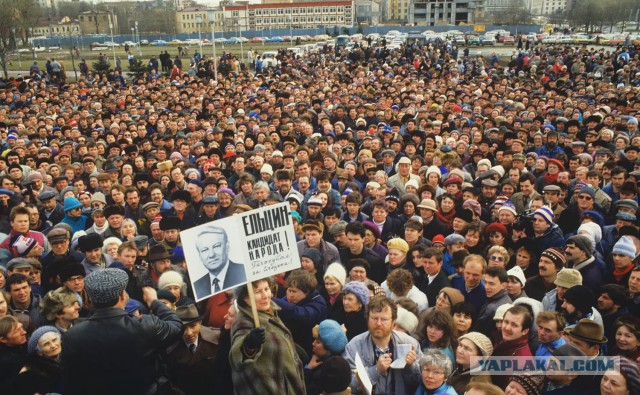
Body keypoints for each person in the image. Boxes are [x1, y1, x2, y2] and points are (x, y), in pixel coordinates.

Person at [60, 268, 183, 395]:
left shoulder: (73, 335)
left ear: (91, 298)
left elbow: (70, 380)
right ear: (122, 295)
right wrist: (154, 302)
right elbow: (176, 325)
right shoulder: (146, 326)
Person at [229, 277, 306, 394]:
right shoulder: (243, 322)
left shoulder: (270, 312)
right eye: (257, 292)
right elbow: (236, 359)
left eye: (266, 289)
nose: (265, 295)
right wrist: (249, 345)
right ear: (245, 298)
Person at [343, 296, 422, 394]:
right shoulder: (354, 346)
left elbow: (420, 382)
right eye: (374, 318)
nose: (378, 323)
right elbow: (349, 384)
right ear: (368, 319)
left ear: (393, 321)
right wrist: (376, 370)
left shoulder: (410, 344)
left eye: (384, 319)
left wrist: (410, 367)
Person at [165, 304, 220, 395]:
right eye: (183, 328)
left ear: (200, 322)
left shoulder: (215, 339)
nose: (189, 333)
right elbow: (169, 380)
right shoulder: (169, 348)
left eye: (192, 326)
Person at [193, 226, 247, 300]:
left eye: (216, 246)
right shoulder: (197, 286)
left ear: (227, 247)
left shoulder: (244, 272)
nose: (211, 255)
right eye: (204, 250)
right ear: (199, 256)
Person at [8, 326, 62, 394]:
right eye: (46, 344)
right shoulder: (31, 374)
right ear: (39, 352)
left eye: (54, 340)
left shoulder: (69, 357)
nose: (53, 345)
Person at [305, 319, 349, 395]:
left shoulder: (323, 373)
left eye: (318, 342)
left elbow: (304, 389)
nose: (313, 343)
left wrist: (307, 369)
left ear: (329, 350)